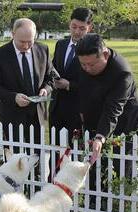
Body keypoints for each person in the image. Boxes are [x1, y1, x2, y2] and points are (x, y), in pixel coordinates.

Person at [0, 18, 55, 155]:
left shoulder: (43, 49)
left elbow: (51, 77)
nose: (26, 46)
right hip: (12, 117)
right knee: (14, 162)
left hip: (37, 116)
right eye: (22, 42)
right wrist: (14, 97)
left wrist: (45, 89)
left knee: (37, 158)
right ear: (13, 34)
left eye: (30, 41)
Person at [76, 34, 138, 177]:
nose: (86, 68)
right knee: (93, 162)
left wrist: (100, 136)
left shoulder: (123, 74)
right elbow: (82, 88)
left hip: (122, 121)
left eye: (91, 65)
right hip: (96, 113)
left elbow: (113, 109)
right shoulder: (85, 59)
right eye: (83, 64)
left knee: (118, 165)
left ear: (105, 54)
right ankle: (93, 196)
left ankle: (119, 198)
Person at [50, 7, 93, 144]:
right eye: (74, 27)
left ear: (89, 28)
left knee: (75, 152)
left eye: (82, 28)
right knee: (56, 150)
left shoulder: (94, 50)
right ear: (69, 24)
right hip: (56, 107)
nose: (76, 32)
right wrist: (52, 79)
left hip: (78, 109)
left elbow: (95, 82)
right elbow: (53, 67)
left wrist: (69, 85)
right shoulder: (60, 44)